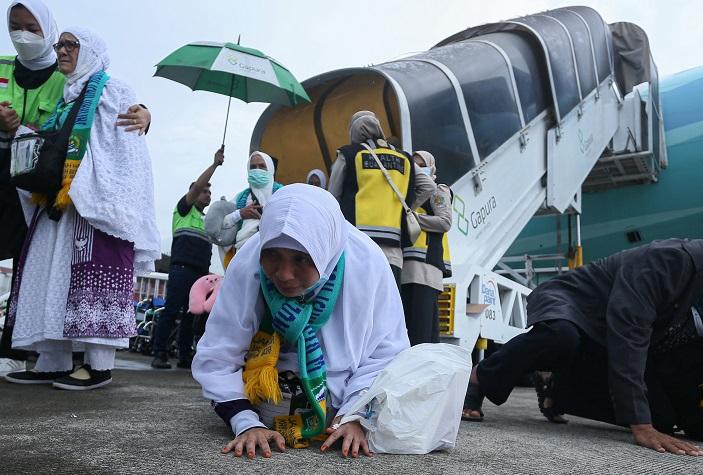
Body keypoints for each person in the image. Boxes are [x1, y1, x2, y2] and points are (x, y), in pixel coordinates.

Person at [462, 231, 703, 456]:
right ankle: (481, 376)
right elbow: (630, 336)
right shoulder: (669, 261)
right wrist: (640, 425)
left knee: (664, 417)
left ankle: (558, 391)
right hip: (577, 304)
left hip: (608, 334)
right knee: (561, 338)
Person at [192, 184, 409, 459]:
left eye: (301, 259)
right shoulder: (248, 260)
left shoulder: (367, 265)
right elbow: (219, 351)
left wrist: (355, 416)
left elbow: (386, 352)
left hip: (345, 404)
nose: (284, 274)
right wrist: (245, 422)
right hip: (263, 403)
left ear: (324, 250)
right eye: (273, 255)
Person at [3, 26, 160, 389]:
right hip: (59, 203)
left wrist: (102, 188)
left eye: (70, 45)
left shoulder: (113, 89)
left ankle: (99, 363)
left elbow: (125, 147)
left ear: (90, 50)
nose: (62, 51)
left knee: (91, 272)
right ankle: (51, 360)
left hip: (95, 201)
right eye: (60, 45)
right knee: (51, 278)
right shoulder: (65, 96)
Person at [328, 110, 435, 287]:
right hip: (393, 249)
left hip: (356, 244)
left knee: (355, 304)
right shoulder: (404, 157)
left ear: (352, 131)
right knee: (385, 307)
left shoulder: (349, 154)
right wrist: (407, 207)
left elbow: (332, 198)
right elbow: (429, 187)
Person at [151, 148, 223, 370]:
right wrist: (214, 166)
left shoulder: (209, 222)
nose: (207, 194)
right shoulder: (183, 211)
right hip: (182, 269)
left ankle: (185, 356)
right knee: (172, 310)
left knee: (193, 315)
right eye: (204, 191)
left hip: (201, 275)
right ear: (193, 193)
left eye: (209, 193)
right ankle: (159, 353)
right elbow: (199, 185)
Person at [401, 151, 452, 345]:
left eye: (422, 164)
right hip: (408, 267)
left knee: (420, 334)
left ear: (431, 167)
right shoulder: (410, 191)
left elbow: (445, 221)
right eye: (414, 163)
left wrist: (412, 218)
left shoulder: (438, 190)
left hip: (425, 269)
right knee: (416, 333)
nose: (418, 167)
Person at [216, 151, 282, 269]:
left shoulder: (282, 194)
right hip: (242, 255)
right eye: (253, 167)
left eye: (262, 166)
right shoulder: (241, 197)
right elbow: (221, 224)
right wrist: (240, 214)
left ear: (271, 169)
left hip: (273, 253)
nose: (257, 170)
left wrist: (265, 220)